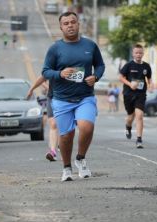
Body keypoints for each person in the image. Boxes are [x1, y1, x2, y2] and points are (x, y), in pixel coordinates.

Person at [42, 11, 105, 181]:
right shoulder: (55, 48)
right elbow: (45, 71)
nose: (70, 25)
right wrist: (60, 73)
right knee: (66, 135)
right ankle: (66, 168)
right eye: (66, 23)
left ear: (78, 24)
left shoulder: (90, 45)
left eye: (73, 22)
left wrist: (96, 77)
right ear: (61, 27)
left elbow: (99, 65)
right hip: (62, 99)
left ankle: (80, 158)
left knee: (87, 127)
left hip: (85, 97)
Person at [119, 44, 152, 149]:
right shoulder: (128, 65)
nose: (138, 55)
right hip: (128, 94)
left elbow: (149, 78)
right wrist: (130, 84)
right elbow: (120, 77)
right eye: (136, 53)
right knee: (130, 116)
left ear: (143, 53)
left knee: (139, 115)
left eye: (140, 53)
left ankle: (139, 139)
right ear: (133, 54)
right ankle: (128, 127)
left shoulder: (146, 66)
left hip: (140, 94)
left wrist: (151, 86)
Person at [27, 76, 59, 162]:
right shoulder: (52, 63)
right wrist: (32, 89)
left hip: (67, 98)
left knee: (65, 125)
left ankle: (63, 143)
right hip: (52, 97)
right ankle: (52, 151)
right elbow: (42, 78)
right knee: (53, 123)